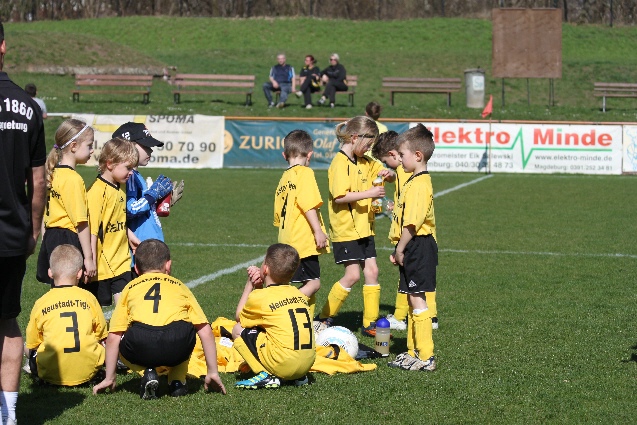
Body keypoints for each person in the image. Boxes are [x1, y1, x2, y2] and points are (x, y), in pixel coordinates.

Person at [92, 239, 226, 399]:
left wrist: (110, 377)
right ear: (168, 265)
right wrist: (212, 372)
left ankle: (148, 372)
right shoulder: (180, 286)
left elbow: (114, 336)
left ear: (136, 268)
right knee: (190, 328)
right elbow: (205, 330)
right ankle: (177, 380)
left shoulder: (129, 288)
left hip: (141, 344)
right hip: (177, 344)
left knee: (120, 334)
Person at [0, 21, 47, 425]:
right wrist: (33, 230)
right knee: (7, 321)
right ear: (3, 46)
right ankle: (9, 415)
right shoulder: (27, 107)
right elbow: (39, 180)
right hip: (12, 235)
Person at [315, 116, 389, 337]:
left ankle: (370, 323)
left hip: (365, 227)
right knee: (353, 275)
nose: (369, 149)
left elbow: (386, 172)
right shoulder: (339, 164)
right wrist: (370, 193)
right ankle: (323, 317)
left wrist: (389, 174)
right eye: (368, 144)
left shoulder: (365, 161)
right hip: (346, 229)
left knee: (373, 271)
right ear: (355, 137)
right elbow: (340, 197)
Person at [386, 124, 438, 372]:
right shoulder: (413, 180)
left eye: (402, 154)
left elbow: (412, 223)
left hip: (418, 244)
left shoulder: (419, 184)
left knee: (417, 299)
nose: (399, 159)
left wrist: (400, 248)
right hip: (411, 244)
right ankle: (412, 351)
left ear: (418, 156)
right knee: (411, 298)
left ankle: (426, 356)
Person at [232, 244, 316, 389]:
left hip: (284, 363)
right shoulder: (298, 294)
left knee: (237, 329)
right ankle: (298, 377)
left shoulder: (261, 297)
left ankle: (266, 375)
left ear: (265, 269)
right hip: (307, 365)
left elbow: (239, 317)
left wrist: (250, 285)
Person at [25, 245, 107, 386]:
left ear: (50, 273)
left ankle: (44, 373)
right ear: (79, 273)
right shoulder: (89, 298)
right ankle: (90, 371)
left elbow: (32, 343)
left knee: (26, 346)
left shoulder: (41, 302)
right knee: (103, 342)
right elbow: (102, 335)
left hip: (51, 372)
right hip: (89, 370)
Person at [112, 122, 183, 272]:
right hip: (140, 251)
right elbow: (129, 210)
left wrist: (158, 204)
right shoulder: (129, 177)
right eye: (145, 146)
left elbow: (139, 208)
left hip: (149, 249)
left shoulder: (135, 175)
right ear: (128, 146)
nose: (150, 150)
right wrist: (153, 195)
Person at [274, 130, 329, 320]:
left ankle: (306, 323)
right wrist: (318, 231)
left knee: (303, 284)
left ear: (284, 155)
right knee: (313, 284)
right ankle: (280, 311)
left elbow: (277, 216)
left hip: (285, 240)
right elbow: (308, 205)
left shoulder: (283, 178)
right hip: (303, 241)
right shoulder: (305, 173)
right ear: (310, 155)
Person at [37, 119, 96, 285]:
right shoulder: (72, 179)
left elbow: (44, 215)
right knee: (71, 290)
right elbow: (81, 222)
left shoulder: (52, 173)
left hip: (51, 237)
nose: (92, 150)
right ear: (74, 146)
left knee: (58, 288)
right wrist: (89, 258)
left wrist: (45, 240)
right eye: (89, 145)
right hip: (67, 239)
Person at [87, 138, 138, 306]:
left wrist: (130, 236)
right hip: (102, 265)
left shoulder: (120, 187)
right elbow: (92, 231)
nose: (131, 172)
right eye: (128, 168)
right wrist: (90, 260)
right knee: (97, 312)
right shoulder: (97, 192)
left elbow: (118, 220)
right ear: (110, 164)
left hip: (122, 262)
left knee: (124, 309)